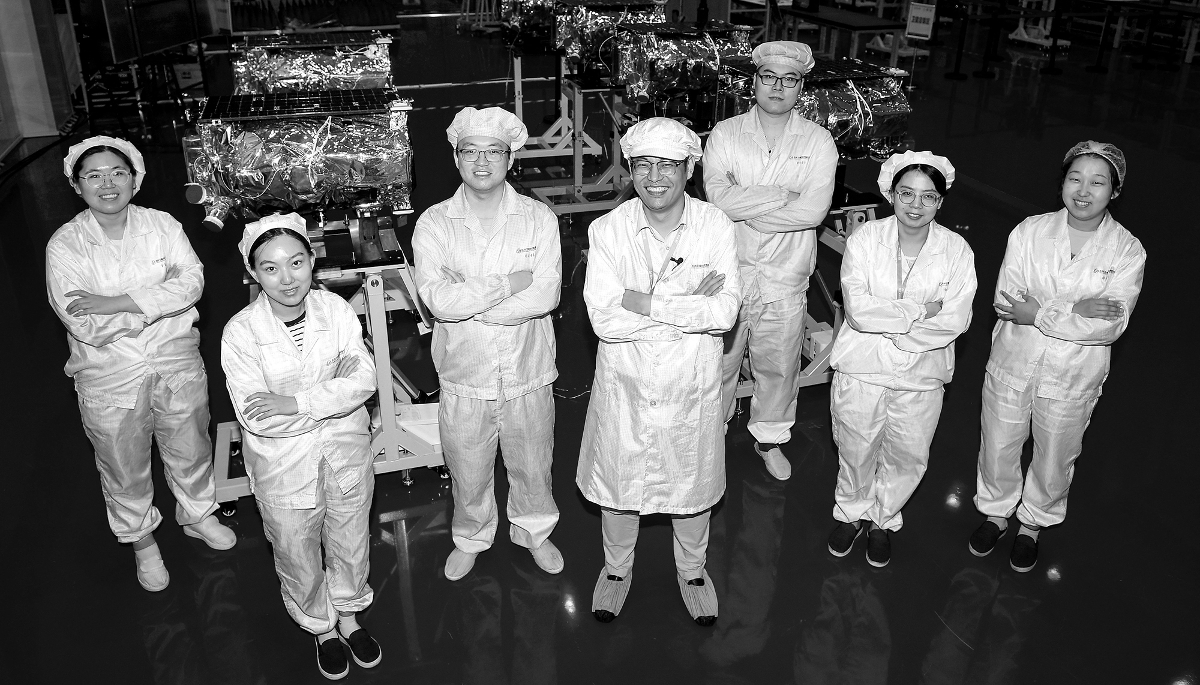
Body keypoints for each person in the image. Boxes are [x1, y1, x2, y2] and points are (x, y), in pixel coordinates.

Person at [46, 135, 235, 593]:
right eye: (93, 175)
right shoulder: (66, 245)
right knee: (122, 463)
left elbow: (191, 284)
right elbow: (82, 321)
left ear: (136, 178)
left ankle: (198, 514)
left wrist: (117, 303)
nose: (107, 183)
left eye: (118, 173)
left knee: (191, 444)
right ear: (76, 185)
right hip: (109, 375)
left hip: (176, 361)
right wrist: (156, 304)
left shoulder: (162, 224)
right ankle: (143, 542)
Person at [578, 117, 742, 626]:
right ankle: (615, 569)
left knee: (691, 485)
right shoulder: (607, 230)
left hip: (690, 385)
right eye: (643, 165)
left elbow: (724, 313)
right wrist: (687, 310)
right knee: (620, 483)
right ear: (629, 168)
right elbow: (604, 319)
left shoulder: (716, 226)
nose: (655, 177)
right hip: (626, 383)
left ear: (689, 169)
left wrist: (645, 303)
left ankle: (693, 572)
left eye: (668, 165)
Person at [970, 141, 1145, 572]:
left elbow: (1109, 325)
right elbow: (1008, 304)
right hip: (1014, 358)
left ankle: (1033, 522)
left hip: (1073, 374)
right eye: (1074, 179)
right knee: (999, 441)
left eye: (1098, 182)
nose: (1083, 191)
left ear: (1115, 191)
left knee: (1055, 452)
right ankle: (996, 510)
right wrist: (1075, 310)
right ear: (1062, 183)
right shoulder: (1029, 231)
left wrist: (1042, 312)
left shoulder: (1126, 251)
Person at [221, 213, 381, 680]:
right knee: (295, 549)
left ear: (313, 260)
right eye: (270, 268)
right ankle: (321, 627)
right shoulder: (240, 333)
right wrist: (332, 400)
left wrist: (296, 402)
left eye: (296, 262)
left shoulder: (335, 311)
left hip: (346, 455)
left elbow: (366, 379)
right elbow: (256, 417)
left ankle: (349, 616)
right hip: (282, 467)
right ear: (253, 273)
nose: (287, 278)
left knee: (351, 539)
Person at [412, 106, 564, 582]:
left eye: (493, 152)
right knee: (468, 468)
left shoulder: (538, 219)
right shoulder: (434, 224)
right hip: (465, 374)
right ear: (456, 158)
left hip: (528, 371)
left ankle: (534, 531)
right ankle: (471, 536)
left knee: (533, 464)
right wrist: (507, 283)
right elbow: (437, 299)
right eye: (470, 152)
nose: (482, 163)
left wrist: (473, 299)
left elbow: (547, 293)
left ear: (510, 157)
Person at [826, 151, 977, 568]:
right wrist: (918, 311)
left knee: (908, 453)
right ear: (890, 193)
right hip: (863, 369)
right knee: (855, 445)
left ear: (941, 202)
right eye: (906, 193)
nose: (915, 205)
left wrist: (891, 324)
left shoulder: (957, 251)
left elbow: (955, 320)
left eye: (928, 197)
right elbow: (858, 310)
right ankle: (851, 512)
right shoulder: (865, 240)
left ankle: (883, 518)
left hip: (922, 374)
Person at [704, 40, 839, 481]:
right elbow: (716, 199)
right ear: (754, 82)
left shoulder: (818, 141)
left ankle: (770, 437)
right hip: (728, 271)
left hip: (786, 273)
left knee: (779, 364)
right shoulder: (725, 134)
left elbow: (814, 211)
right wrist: (783, 196)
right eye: (768, 77)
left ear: (802, 87)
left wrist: (750, 208)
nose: (778, 87)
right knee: (720, 361)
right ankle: (712, 431)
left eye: (789, 80)